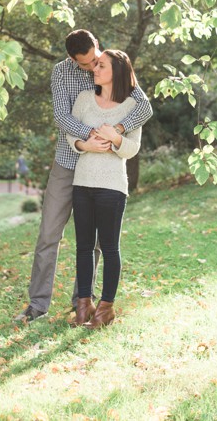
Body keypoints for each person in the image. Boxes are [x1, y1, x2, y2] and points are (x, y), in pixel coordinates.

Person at [14, 30, 152, 323]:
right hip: (69, 160)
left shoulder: (108, 65)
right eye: (85, 65)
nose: (92, 68)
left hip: (103, 168)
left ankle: (83, 299)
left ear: (97, 48)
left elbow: (143, 106)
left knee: (99, 241)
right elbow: (63, 117)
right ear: (72, 59)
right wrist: (87, 139)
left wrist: (117, 131)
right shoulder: (62, 73)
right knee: (50, 232)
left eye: (94, 61)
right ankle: (38, 304)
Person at [67, 49, 143, 327]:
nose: (95, 69)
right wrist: (84, 145)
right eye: (95, 65)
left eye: (101, 66)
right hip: (82, 182)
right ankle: (83, 306)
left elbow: (132, 149)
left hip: (112, 187)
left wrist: (116, 138)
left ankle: (106, 309)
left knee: (109, 248)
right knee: (83, 247)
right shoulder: (85, 99)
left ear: (117, 72)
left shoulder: (131, 108)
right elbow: (70, 133)